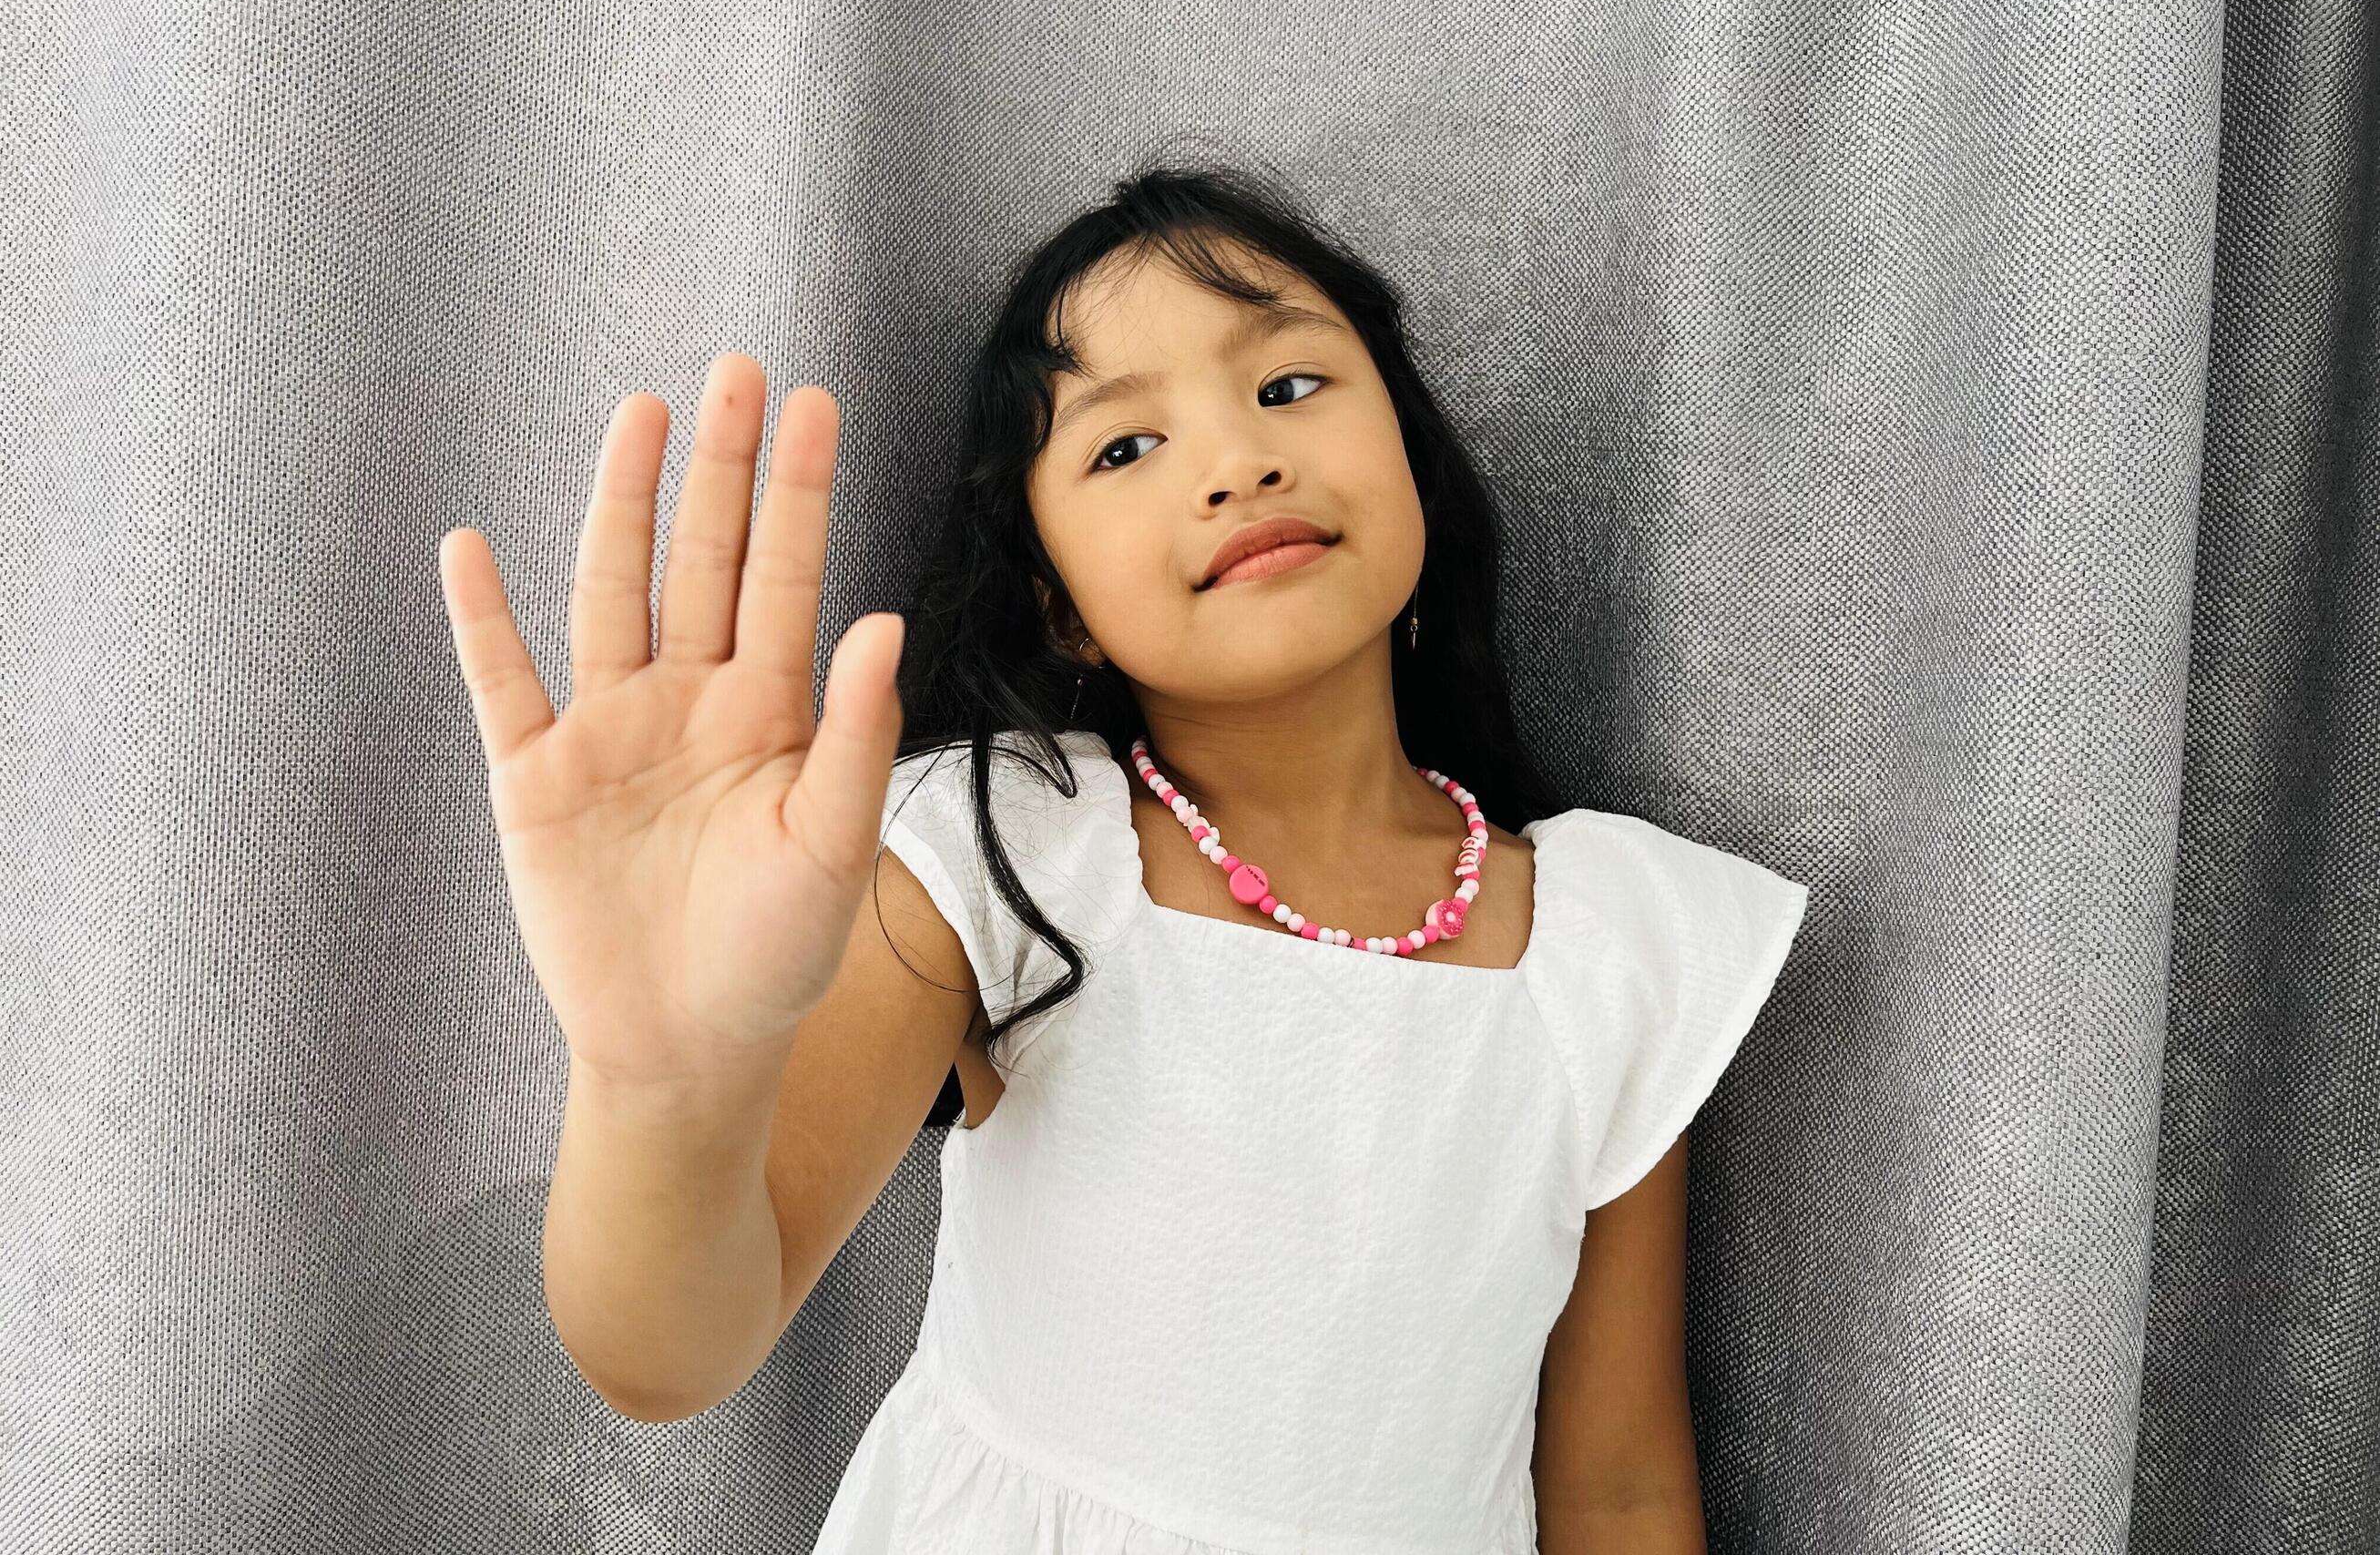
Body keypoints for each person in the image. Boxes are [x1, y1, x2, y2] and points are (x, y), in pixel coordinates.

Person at [436, 159, 1812, 1551]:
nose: (1238, 461)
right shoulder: (1007, 852)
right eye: (1121, 447)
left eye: (1285, 388)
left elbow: (1617, 1487)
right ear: (1061, 605)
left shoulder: (1614, 944)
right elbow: (668, 1356)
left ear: (1413, 462)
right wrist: (658, 1081)